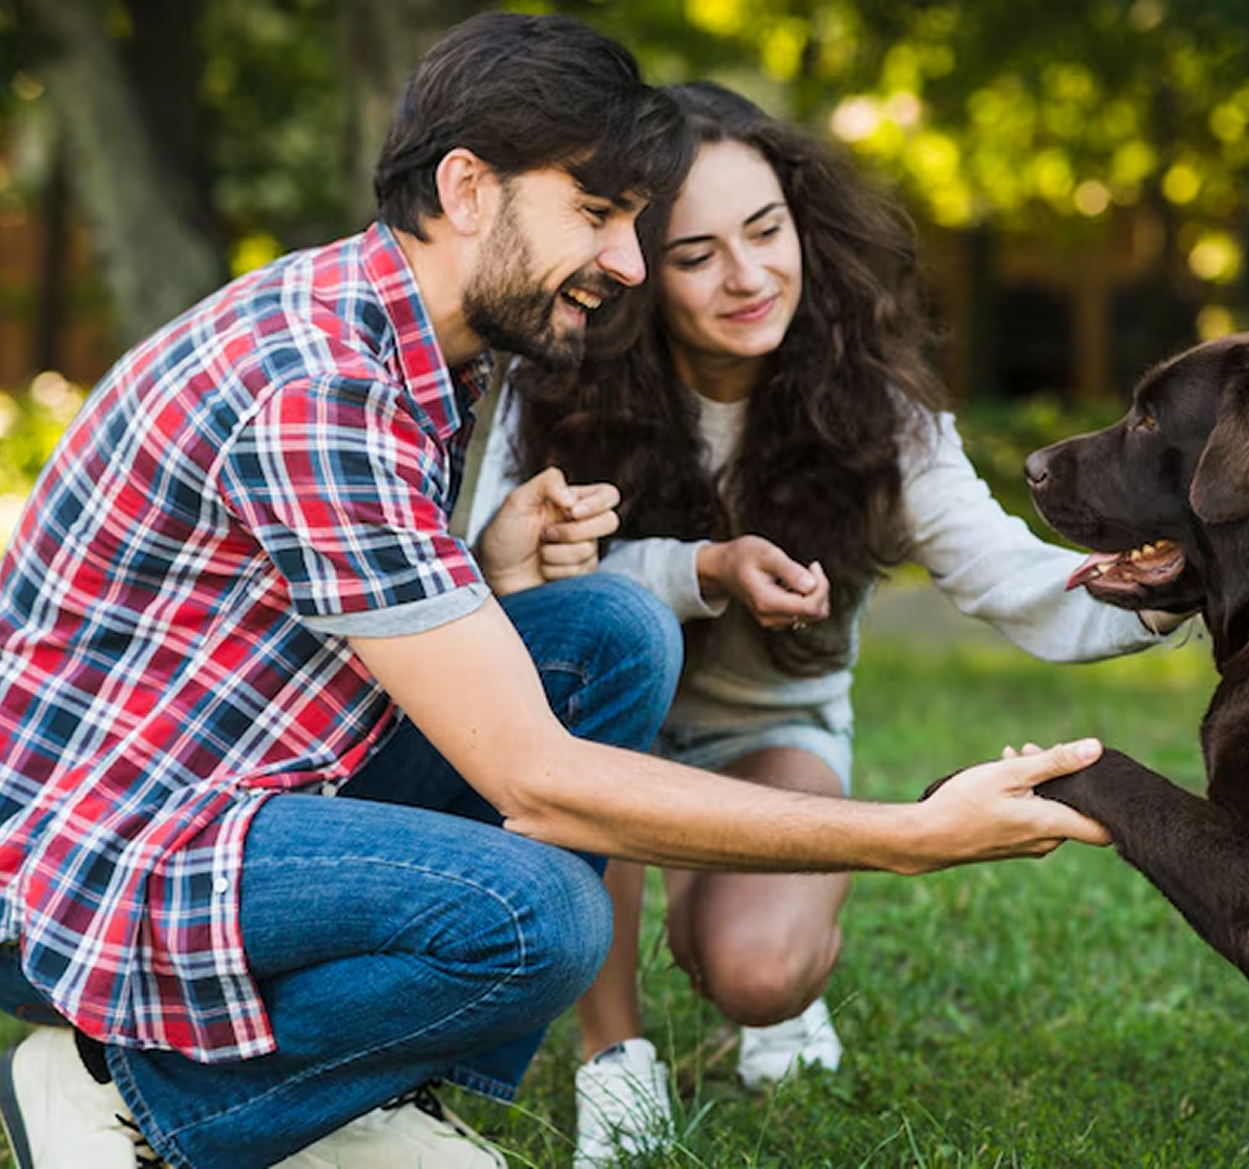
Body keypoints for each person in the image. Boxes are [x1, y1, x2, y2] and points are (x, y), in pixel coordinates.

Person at [0, 16, 1115, 1169]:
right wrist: (913, 834)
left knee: (610, 630)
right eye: (597, 214)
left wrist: (480, 567)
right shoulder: (322, 385)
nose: (628, 263)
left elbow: (298, 622)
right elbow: (535, 781)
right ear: (468, 188)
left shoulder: (427, 344)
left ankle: (354, 1091)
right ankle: (123, 1083)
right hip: (75, 861)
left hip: (237, 782)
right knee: (543, 916)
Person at [465, 81, 1193, 1167]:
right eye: (697, 253)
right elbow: (485, 581)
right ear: (631, 271)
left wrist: (1172, 581)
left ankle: (762, 969)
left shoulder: (877, 410)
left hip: (772, 732)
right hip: (595, 726)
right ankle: (615, 1057)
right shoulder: (551, 384)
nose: (750, 275)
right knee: (598, 671)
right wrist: (700, 566)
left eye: (766, 231)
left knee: (758, 970)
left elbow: (1008, 575)